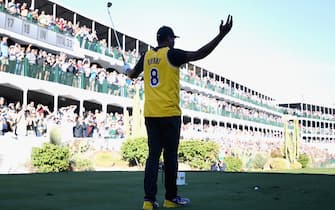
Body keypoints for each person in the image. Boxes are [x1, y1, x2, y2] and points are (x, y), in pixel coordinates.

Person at [122, 15, 233, 210]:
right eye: (173, 39)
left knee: (153, 157)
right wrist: (221, 35)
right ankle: (170, 198)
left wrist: (126, 70)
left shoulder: (147, 56)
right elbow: (200, 53)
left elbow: (132, 74)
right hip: (169, 113)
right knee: (171, 156)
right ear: (169, 39)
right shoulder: (171, 54)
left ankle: (148, 201)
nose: (174, 42)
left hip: (150, 114)